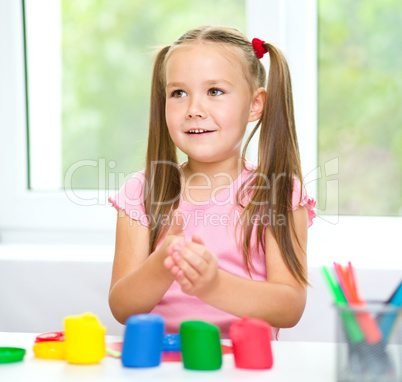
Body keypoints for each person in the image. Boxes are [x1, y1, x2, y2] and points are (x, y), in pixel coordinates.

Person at [108, 25, 316, 339]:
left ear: (255, 104)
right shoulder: (141, 192)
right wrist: (161, 265)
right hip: (163, 364)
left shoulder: (279, 193)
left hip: (245, 366)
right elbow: (122, 307)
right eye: (178, 93)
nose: (194, 110)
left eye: (214, 91)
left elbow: (290, 308)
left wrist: (214, 285)